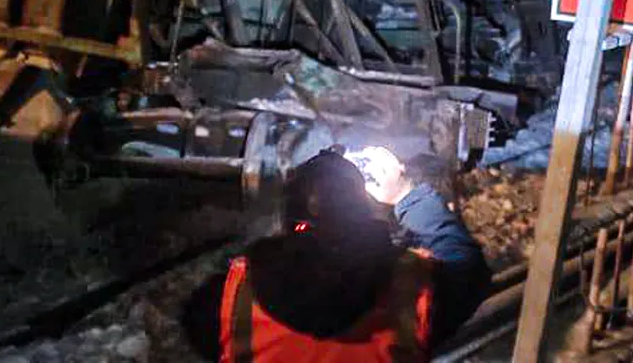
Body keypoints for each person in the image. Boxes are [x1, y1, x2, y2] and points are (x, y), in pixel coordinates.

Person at [182, 147, 490, 362]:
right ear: (363, 212)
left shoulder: (228, 299)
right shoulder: (413, 289)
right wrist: (406, 194)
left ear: (289, 218)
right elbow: (466, 264)